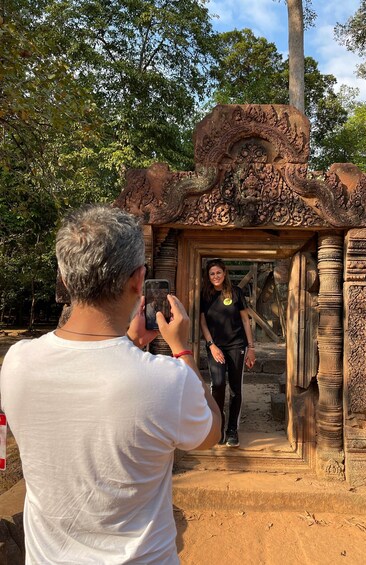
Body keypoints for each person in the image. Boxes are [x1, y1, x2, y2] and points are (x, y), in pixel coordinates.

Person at [0, 205, 221, 564]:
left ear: (66, 278)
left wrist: (130, 345)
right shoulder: (167, 379)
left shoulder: (17, 363)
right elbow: (211, 432)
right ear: (139, 280)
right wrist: (182, 350)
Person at [200, 259, 256, 448]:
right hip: (215, 347)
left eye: (218, 272)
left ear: (224, 273)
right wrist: (211, 345)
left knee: (235, 389)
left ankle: (232, 430)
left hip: (237, 346)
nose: (215, 276)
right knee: (217, 385)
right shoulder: (205, 295)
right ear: (208, 277)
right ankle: (219, 427)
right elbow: (203, 323)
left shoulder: (236, 293)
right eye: (212, 274)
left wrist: (251, 348)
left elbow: (246, 321)